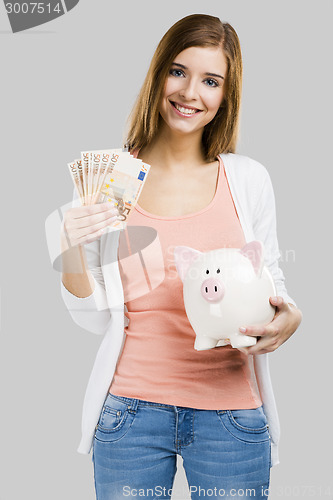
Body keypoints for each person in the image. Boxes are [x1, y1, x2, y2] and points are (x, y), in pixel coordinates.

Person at [60, 14, 302, 500]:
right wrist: (68, 250)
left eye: (210, 81)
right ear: (157, 75)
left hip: (231, 414)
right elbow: (93, 316)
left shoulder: (247, 179)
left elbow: (268, 272)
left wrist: (288, 314)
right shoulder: (112, 178)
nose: (190, 92)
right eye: (179, 71)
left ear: (224, 97)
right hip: (130, 413)